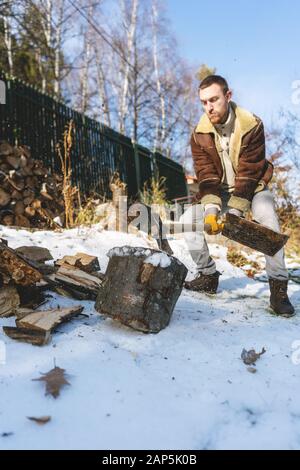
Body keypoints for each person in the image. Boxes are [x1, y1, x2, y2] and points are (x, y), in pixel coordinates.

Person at [182, 75, 295, 317]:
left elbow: (249, 172)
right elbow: (206, 175)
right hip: (220, 191)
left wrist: (234, 213)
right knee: (187, 219)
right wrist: (212, 209)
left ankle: (278, 287)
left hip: (252, 188)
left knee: (269, 220)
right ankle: (208, 275)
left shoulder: (252, 124)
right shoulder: (199, 134)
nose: (208, 107)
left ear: (228, 96)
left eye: (213, 99)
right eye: (203, 102)